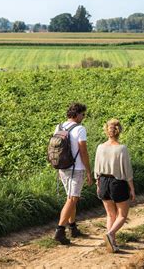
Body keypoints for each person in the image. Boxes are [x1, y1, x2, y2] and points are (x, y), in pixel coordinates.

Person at [54, 103, 93, 245]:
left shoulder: (59, 127)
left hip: (63, 167)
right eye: (83, 114)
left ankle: (73, 228)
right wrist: (89, 171)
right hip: (76, 169)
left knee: (72, 198)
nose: (84, 117)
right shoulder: (80, 129)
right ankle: (60, 230)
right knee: (72, 199)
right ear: (76, 115)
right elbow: (83, 152)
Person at [94, 119, 135, 253]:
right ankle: (110, 234)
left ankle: (112, 243)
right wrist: (132, 188)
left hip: (103, 181)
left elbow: (97, 168)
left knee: (110, 214)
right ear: (119, 131)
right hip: (118, 183)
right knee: (122, 215)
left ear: (107, 131)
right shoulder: (121, 148)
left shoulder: (100, 147)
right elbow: (127, 171)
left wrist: (98, 183)